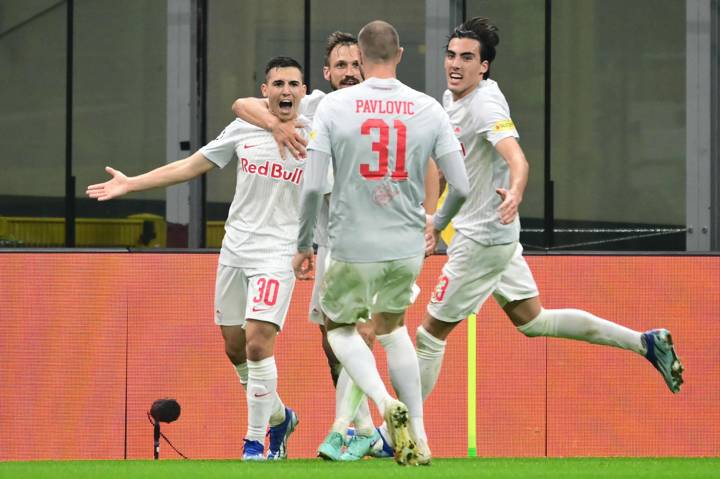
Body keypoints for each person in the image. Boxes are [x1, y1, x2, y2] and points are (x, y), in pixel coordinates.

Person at [412, 17, 685, 419]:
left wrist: (518, 189)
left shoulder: (485, 104)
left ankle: (396, 434)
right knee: (533, 320)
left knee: (428, 336)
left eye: (467, 58)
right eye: (451, 55)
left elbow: (517, 157)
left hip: (482, 238)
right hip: (495, 235)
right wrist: (431, 216)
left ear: (484, 66)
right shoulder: (452, 100)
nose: (456, 64)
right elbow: (440, 164)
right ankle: (645, 343)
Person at [86, 57, 311, 461]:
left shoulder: (318, 123)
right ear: (266, 90)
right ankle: (279, 417)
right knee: (235, 347)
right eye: (278, 83)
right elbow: (191, 165)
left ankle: (255, 443)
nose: (286, 91)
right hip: (235, 249)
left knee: (260, 343)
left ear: (305, 91)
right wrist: (131, 183)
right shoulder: (245, 127)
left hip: (279, 252)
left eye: (294, 84)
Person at [232, 32, 439, 462]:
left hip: (375, 239)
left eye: (354, 64)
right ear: (326, 75)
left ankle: (362, 426)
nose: (348, 72)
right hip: (333, 243)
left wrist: (430, 217)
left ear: (367, 66)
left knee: (366, 333)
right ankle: (373, 430)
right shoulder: (320, 106)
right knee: (336, 342)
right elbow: (244, 105)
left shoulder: (389, 108)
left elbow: (432, 161)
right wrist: (275, 123)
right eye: (339, 66)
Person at [292, 20, 469, 466]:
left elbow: (312, 187)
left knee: (339, 329)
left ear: (364, 56)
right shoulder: (428, 108)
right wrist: (435, 223)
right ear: (400, 54)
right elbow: (462, 186)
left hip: (351, 244)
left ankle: (385, 404)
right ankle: (422, 437)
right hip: (406, 245)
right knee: (391, 328)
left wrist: (304, 243)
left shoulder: (334, 108)